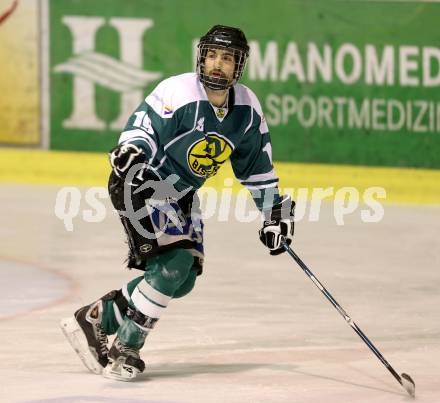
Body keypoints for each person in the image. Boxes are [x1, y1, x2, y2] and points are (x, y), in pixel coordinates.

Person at [60, 25, 295, 381]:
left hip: (181, 195)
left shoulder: (247, 109)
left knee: (182, 279)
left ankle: (98, 316)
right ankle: (127, 346)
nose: (218, 64)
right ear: (202, 57)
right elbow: (144, 128)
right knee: (174, 263)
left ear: (239, 65)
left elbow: (256, 167)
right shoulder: (178, 90)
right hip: (142, 183)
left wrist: (274, 213)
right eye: (212, 55)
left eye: (228, 58)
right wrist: (132, 152)